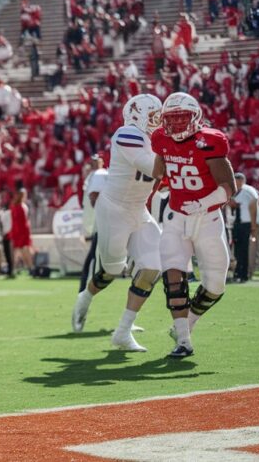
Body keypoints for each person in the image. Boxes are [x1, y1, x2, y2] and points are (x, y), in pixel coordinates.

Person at [72, 95, 164, 352]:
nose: (159, 122)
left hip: (139, 210)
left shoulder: (155, 139)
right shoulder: (127, 134)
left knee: (153, 267)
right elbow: (153, 167)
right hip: (114, 210)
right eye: (155, 116)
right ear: (138, 116)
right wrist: (177, 151)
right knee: (112, 270)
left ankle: (122, 332)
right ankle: (86, 296)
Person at [152, 92, 236, 359]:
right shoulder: (161, 139)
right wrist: (163, 183)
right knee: (173, 277)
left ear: (195, 117)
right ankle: (184, 342)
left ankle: (186, 325)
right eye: (171, 119)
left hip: (208, 219)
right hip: (176, 218)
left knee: (215, 286)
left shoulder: (210, 142)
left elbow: (229, 188)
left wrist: (203, 202)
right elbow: (159, 173)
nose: (176, 125)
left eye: (181, 118)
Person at [78, 155, 107, 293]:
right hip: (99, 223)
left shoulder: (98, 175)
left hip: (100, 222)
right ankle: (85, 288)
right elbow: (90, 202)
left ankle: (85, 287)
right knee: (94, 257)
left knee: (95, 258)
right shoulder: (94, 176)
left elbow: (92, 200)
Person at [228, 173, 259, 283]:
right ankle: (238, 273)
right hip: (236, 224)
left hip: (246, 224)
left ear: (242, 181)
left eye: (238, 181)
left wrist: (253, 226)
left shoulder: (248, 191)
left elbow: (253, 207)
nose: (236, 183)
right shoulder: (233, 190)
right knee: (237, 251)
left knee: (244, 250)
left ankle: (244, 275)